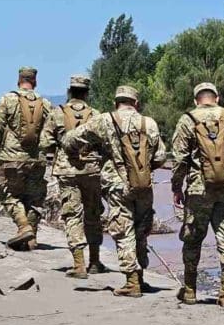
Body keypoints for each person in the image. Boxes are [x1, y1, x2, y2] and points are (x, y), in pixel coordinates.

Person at [63, 85, 166, 297]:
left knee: (123, 229)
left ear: (115, 103)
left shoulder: (105, 120)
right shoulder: (150, 123)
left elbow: (72, 140)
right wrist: (143, 169)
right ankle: (141, 276)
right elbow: (161, 156)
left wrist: (74, 150)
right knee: (141, 230)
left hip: (117, 185)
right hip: (144, 185)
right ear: (136, 104)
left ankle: (132, 280)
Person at [170, 82, 224, 307]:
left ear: (196, 100)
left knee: (192, 240)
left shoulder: (188, 119)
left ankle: (190, 291)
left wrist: (177, 187)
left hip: (197, 190)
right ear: (216, 97)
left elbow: (179, 159)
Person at [39, 74, 109, 277]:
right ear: (87, 93)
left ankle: (79, 264)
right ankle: (95, 261)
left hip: (67, 171)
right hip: (92, 170)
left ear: (70, 91)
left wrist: (58, 146)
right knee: (93, 214)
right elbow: (106, 143)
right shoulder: (96, 115)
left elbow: (44, 143)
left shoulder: (57, 113)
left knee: (72, 216)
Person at [0, 66, 53, 251]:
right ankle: (30, 239)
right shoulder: (45, 104)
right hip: (37, 160)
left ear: (19, 80)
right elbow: (51, 132)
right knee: (34, 198)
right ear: (35, 82)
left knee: (7, 193)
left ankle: (24, 227)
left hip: (12, 159)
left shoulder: (7, 99)